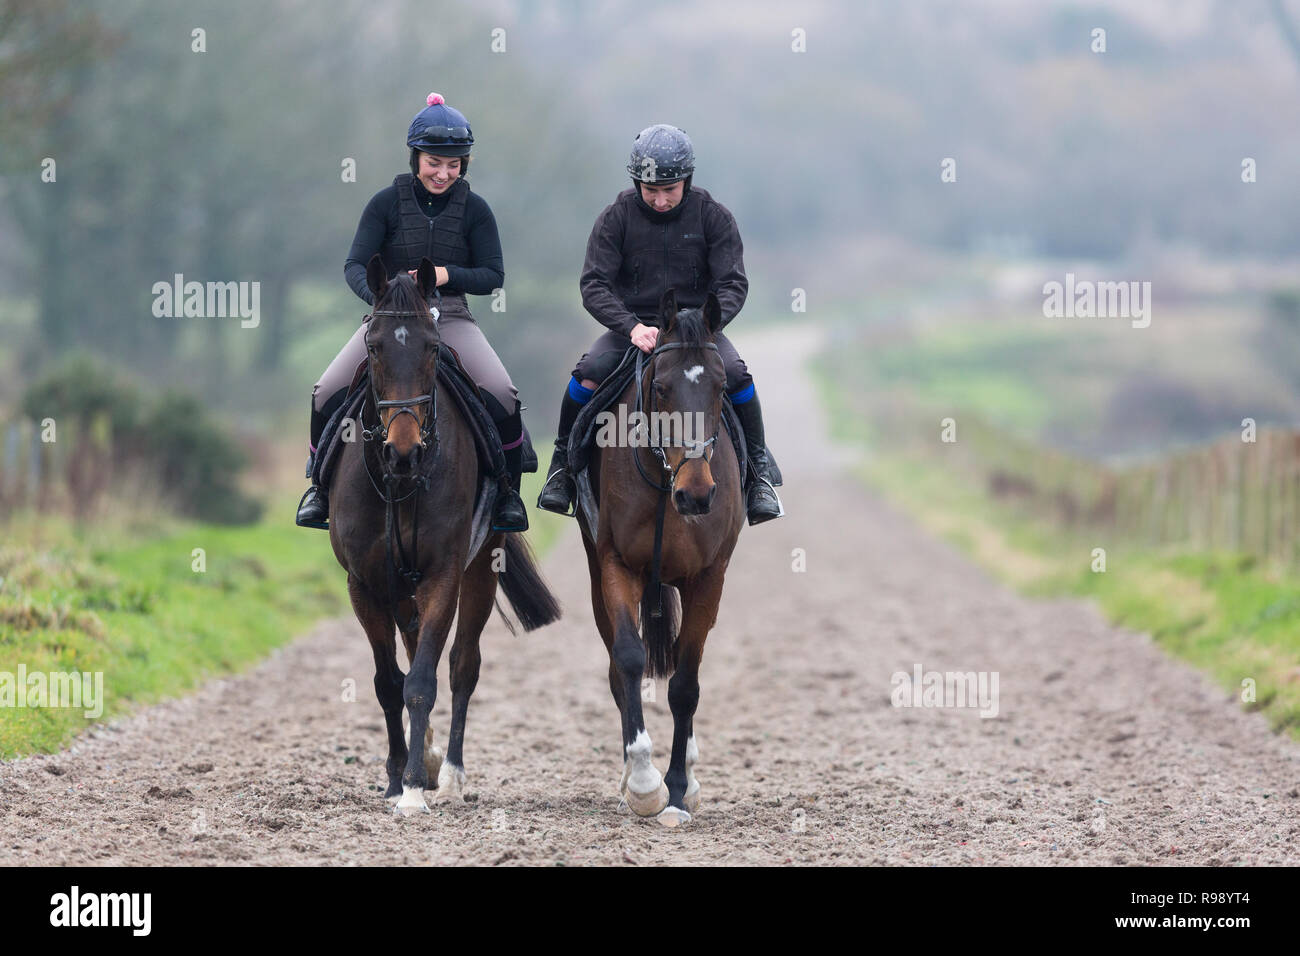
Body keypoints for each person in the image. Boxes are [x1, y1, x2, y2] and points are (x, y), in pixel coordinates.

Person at [296, 92, 528, 532]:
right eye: (434, 162)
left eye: (454, 164)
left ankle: (507, 496)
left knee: (502, 391)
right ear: (415, 157)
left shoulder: (476, 211)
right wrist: (382, 301)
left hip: (451, 317)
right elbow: (353, 265)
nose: (443, 173)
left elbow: (493, 275)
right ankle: (318, 489)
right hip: (389, 320)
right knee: (326, 390)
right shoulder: (384, 204)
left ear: (464, 164)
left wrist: (445, 274)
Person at [536, 124, 783, 525]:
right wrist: (631, 326)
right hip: (634, 330)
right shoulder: (615, 218)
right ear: (637, 183)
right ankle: (562, 467)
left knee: (737, 375)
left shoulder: (713, 216)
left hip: (697, 334)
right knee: (587, 375)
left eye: (670, 189)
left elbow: (733, 283)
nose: (661, 199)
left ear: (687, 180)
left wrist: (705, 325)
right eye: (651, 190)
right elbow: (593, 284)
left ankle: (758, 475)